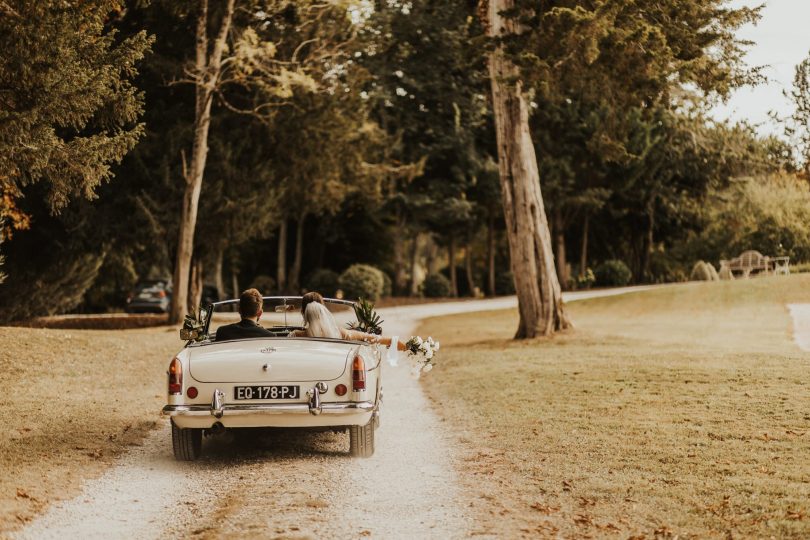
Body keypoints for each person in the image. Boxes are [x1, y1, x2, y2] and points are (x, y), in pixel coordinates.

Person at [291, 291, 407, 350]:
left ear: (303, 313)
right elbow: (376, 338)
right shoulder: (341, 333)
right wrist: (410, 347)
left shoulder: (295, 336)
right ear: (323, 310)